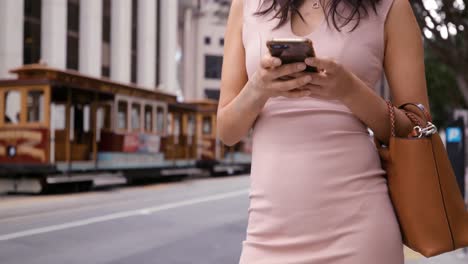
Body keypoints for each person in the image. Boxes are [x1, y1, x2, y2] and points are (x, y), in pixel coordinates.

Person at [217, 0, 430, 263]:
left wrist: (350, 90)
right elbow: (227, 132)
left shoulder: (392, 6)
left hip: (359, 234)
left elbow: (418, 127)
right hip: (266, 235)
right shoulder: (246, 4)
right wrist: (258, 89)